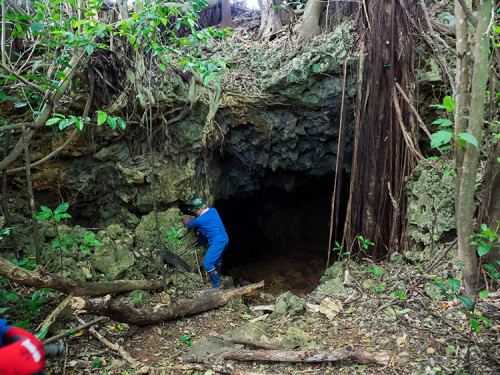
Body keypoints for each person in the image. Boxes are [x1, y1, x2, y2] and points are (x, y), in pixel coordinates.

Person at [185, 196, 228, 289]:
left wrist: (187, 220)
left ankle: (217, 284)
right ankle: (218, 276)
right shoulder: (213, 210)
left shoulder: (200, 220)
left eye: (195, 210)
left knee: (208, 263)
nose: (194, 212)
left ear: (200, 209)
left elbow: (190, 224)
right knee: (217, 259)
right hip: (225, 239)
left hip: (217, 242)